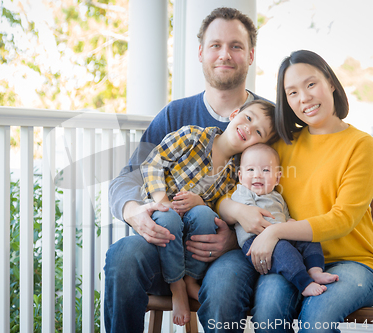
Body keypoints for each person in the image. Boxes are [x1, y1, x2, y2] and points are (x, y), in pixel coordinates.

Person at [105, 7, 274, 332]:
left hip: (228, 252)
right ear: (200, 52)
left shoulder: (267, 122)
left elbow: (280, 197)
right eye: (215, 45)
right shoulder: (175, 115)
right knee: (123, 258)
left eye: (236, 46)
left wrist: (233, 239)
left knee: (225, 289)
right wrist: (134, 212)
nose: (225, 54)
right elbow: (129, 176)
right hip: (165, 237)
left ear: (251, 54)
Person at [218, 50, 373, 332]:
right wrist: (236, 210)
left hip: (353, 262)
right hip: (291, 257)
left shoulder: (361, 145)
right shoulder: (281, 146)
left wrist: (275, 231)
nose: (303, 98)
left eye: (310, 84)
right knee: (269, 308)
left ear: (330, 82)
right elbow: (232, 192)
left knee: (315, 322)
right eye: (292, 92)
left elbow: (342, 219)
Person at [140, 100, 275, 325]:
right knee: (169, 218)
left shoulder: (235, 173)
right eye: (248, 118)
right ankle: (177, 287)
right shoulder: (193, 137)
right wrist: (163, 202)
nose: (249, 128)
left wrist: (200, 201)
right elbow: (152, 162)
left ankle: (191, 279)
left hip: (191, 226)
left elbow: (218, 209)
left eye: (258, 131)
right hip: (162, 213)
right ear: (234, 114)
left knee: (204, 215)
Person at [231, 143, 338, 298]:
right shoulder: (242, 193)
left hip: (279, 234)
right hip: (256, 241)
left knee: (309, 237)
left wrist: (291, 223)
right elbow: (251, 216)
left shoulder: (277, 196)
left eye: (265, 170)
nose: (257, 175)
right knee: (284, 251)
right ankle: (305, 283)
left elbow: (284, 216)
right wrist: (278, 231)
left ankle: (315, 270)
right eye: (250, 170)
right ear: (240, 176)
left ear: (277, 177)